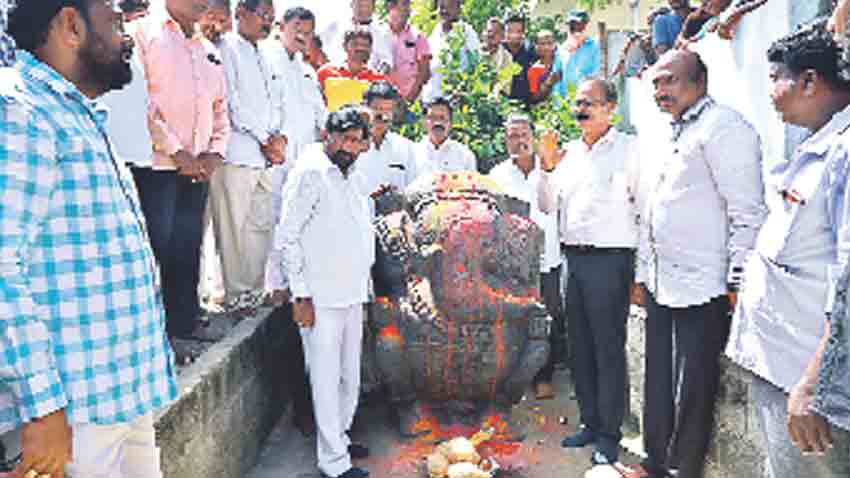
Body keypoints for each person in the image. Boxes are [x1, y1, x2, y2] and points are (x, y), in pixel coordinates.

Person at [1, 1, 180, 476]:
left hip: (118, 393)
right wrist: (41, 407)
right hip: (72, 414)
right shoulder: (19, 110)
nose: (128, 40)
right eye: (116, 22)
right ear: (71, 25)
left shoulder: (73, 113)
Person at [631, 50, 767, 478]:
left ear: (699, 82)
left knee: (694, 387)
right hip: (660, 279)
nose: (660, 91)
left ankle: (682, 469)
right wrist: (641, 274)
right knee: (658, 380)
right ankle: (655, 462)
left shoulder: (724, 128)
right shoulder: (665, 132)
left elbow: (747, 212)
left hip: (705, 284)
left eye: (669, 81)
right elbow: (651, 209)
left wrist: (736, 282)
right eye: (655, 84)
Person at [725, 20, 850, 477]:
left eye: (775, 79)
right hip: (783, 370)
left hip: (811, 386)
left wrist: (813, 386)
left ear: (809, 81)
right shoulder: (815, 145)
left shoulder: (844, 153)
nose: (772, 93)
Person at [537, 79, 640, 470]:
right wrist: (547, 166)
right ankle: (590, 422)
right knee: (579, 348)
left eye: (590, 104)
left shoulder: (629, 149)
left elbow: (643, 209)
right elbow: (547, 205)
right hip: (573, 261)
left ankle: (610, 435)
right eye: (578, 104)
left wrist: (640, 274)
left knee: (607, 349)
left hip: (610, 260)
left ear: (610, 107)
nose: (582, 110)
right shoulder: (571, 154)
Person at [278, 105, 375, 478]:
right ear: (328, 135)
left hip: (352, 292)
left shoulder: (353, 174)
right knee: (324, 377)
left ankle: (341, 439)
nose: (349, 147)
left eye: (357, 140)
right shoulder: (310, 173)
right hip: (319, 298)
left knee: (350, 377)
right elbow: (287, 238)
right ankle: (333, 462)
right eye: (344, 139)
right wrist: (300, 294)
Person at [132, 0, 231, 359]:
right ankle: (150, 338)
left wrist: (214, 152)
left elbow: (221, 109)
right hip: (156, 166)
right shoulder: (143, 33)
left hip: (199, 168)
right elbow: (140, 102)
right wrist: (177, 151)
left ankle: (183, 326)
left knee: (187, 248)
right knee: (154, 250)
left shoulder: (207, 50)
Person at [264, 5, 326, 437]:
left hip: (307, 179)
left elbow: (321, 125)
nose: (301, 36)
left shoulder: (308, 73)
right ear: (281, 29)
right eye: (296, 29)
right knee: (277, 256)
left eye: (308, 31)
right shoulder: (266, 60)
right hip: (275, 170)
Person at [210, 0, 285, 316]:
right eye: (262, 15)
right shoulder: (225, 47)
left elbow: (278, 103)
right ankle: (236, 297)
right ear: (241, 12)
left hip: (265, 157)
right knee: (234, 229)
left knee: (260, 227)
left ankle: (253, 293)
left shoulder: (267, 55)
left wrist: (277, 137)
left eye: (271, 17)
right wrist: (265, 138)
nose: (267, 22)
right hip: (237, 151)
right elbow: (232, 103)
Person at [489, 114, 564, 402]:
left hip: (548, 258)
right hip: (513, 263)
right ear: (505, 140)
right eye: (512, 136)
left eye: (523, 135)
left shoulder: (551, 169)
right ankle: (517, 376)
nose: (518, 141)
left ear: (532, 137)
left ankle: (545, 376)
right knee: (516, 319)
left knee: (549, 317)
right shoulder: (497, 176)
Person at [357, 81, 419, 196]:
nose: (382, 115)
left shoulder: (405, 147)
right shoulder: (351, 146)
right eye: (377, 109)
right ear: (365, 108)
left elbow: (413, 188)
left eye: (387, 110)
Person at [317, 27, 391, 112]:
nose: (361, 48)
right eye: (355, 44)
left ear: (371, 49)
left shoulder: (379, 80)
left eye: (365, 45)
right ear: (345, 46)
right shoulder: (325, 73)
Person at [422, 0, 480, 102]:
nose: (444, 10)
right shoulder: (434, 34)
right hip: (431, 101)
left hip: (454, 102)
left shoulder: (467, 34)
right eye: (442, 6)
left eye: (450, 6)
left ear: (459, 8)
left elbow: (476, 67)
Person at [321, 0, 393, 75]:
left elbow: (387, 61)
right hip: (335, 78)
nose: (363, 10)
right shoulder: (335, 26)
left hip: (366, 80)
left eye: (367, 6)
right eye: (360, 5)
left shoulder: (382, 33)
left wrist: (378, 76)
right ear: (352, 4)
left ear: (374, 8)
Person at [413, 96, 477, 176]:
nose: (437, 123)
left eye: (442, 118)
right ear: (424, 122)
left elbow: (472, 186)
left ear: (450, 123)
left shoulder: (465, 155)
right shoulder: (413, 154)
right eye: (433, 118)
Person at [386, 0, 431, 103]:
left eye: (409, 5)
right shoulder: (379, 34)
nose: (408, 9)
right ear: (391, 6)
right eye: (404, 4)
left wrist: (409, 99)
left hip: (409, 100)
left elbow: (424, 73)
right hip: (382, 100)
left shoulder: (418, 37)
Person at [551, 10, 600, 100]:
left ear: (585, 25)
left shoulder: (595, 47)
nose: (576, 27)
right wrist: (558, 106)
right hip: (566, 104)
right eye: (572, 24)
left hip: (588, 103)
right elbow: (556, 81)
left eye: (580, 24)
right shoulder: (561, 50)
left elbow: (596, 75)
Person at [502, 11, 537, 105]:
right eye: (510, 31)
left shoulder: (532, 52)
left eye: (518, 31)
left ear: (523, 32)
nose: (514, 35)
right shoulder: (498, 51)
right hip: (501, 105)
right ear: (504, 32)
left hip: (526, 105)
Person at [480, 17, 513, 96]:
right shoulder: (474, 51)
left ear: (502, 36)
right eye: (489, 31)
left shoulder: (507, 57)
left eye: (496, 32)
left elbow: (504, 85)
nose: (491, 35)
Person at [528, 30, 562, 103]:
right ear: (536, 46)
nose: (547, 47)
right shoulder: (534, 70)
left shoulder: (562, 62)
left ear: (555, 44)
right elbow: (534, 98)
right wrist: (548, 83)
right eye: (542, 44)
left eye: (550, 43)